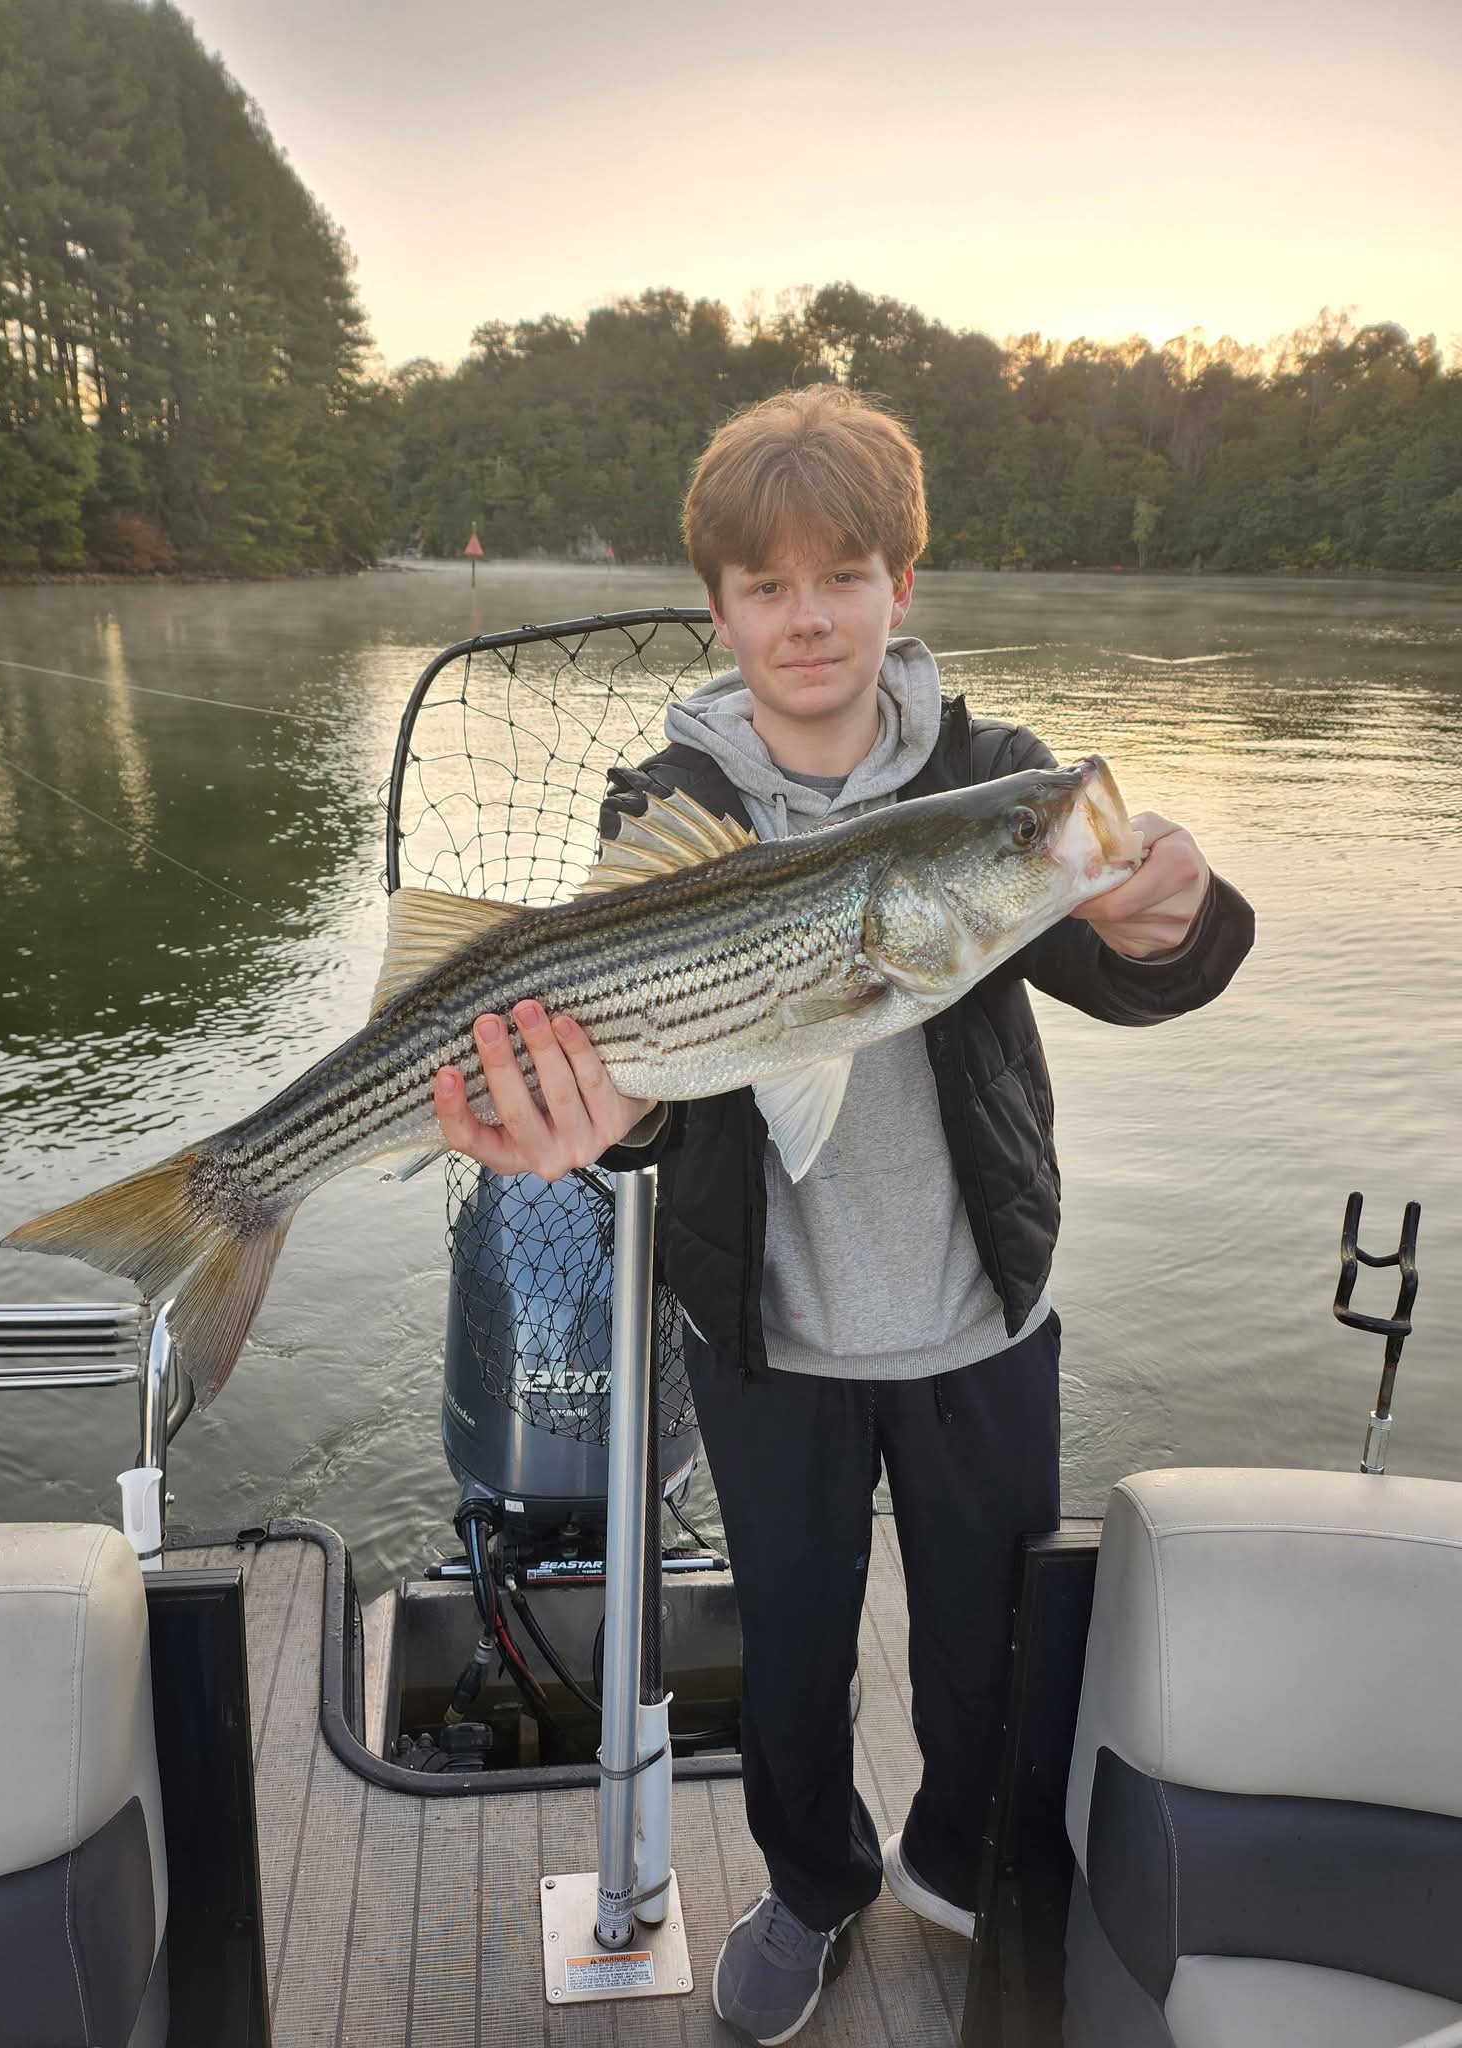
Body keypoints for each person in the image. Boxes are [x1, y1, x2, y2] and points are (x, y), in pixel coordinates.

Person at [432, 386, 1255, 2045]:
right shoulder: (661, 805)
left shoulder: (995, 785)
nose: (807, 617)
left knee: (989, 1649)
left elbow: (1128, 959)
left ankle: (958, 1860)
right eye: (767, 586)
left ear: (901, 585)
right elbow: (644, 1093)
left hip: (978, 1319)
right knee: (794, 1658)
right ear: (720, 607)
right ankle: (812, 1887)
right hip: (771, 1343)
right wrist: (602, 1122)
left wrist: (1173, 919)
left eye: (844, 576)